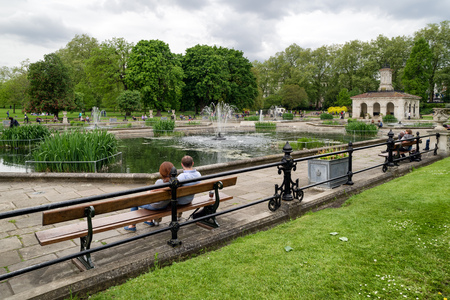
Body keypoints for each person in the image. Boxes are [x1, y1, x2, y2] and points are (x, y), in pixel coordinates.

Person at [124, 161, 174, 231]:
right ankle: (149, 221)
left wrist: (150, 191)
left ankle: (131, 226)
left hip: (155, 206)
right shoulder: (174, 182)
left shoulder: (159, 182)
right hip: (165, 205)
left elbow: (151, 196)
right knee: (153, 200)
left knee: (134, 203)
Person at [176, 155, 202, 220]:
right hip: (190, 199)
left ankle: (156, 220)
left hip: (180, 202)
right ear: (193, 163)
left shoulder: (181, 177)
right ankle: (178, 216)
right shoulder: (198, 174)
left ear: (182, 164)